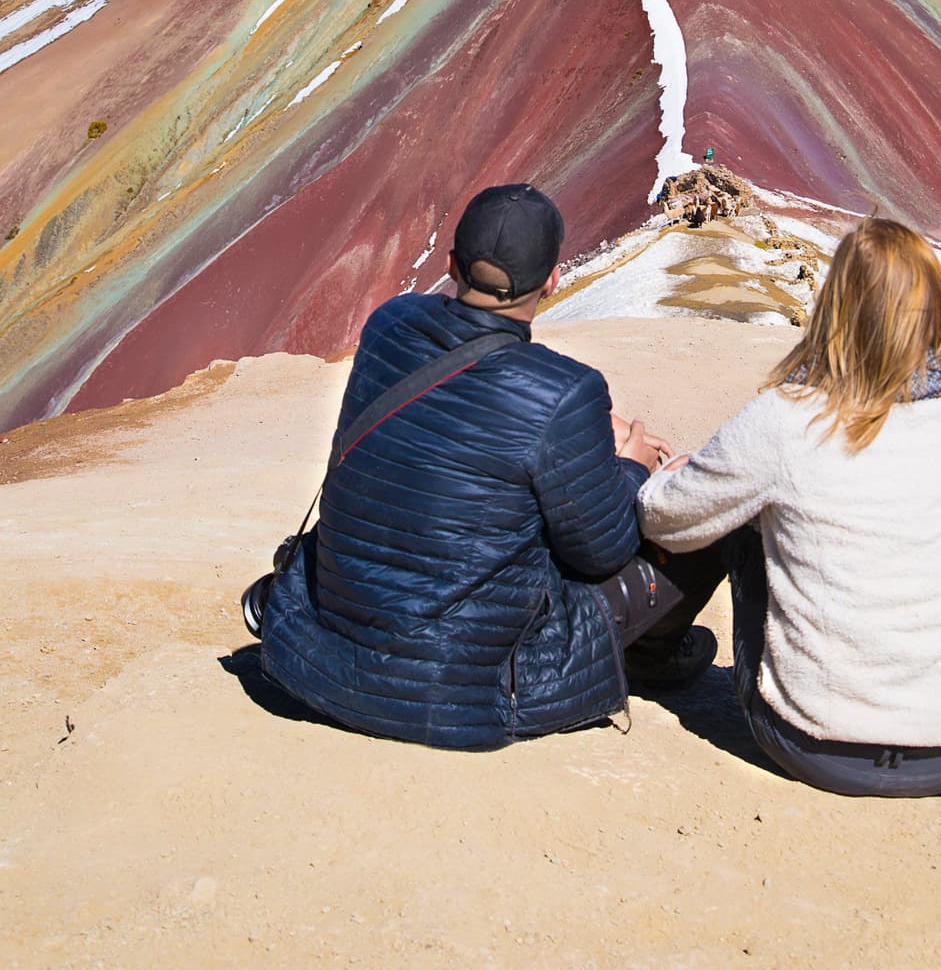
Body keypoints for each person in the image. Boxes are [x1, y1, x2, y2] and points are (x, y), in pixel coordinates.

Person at [258, 183, 721, 749]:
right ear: (552, 281)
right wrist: (630, 467)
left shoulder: (387, 324)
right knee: (704, 511)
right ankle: (650, 659)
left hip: (323, 655)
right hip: (458, 689)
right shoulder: (565, 392)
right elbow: (601, 551)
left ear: (451, 265)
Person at [638, 216, 941, 797]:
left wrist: (666, 470)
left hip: (817, 743)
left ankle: (651, 657)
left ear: (834, 307)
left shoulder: (788, 420)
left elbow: (668, 517)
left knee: (735, 515)